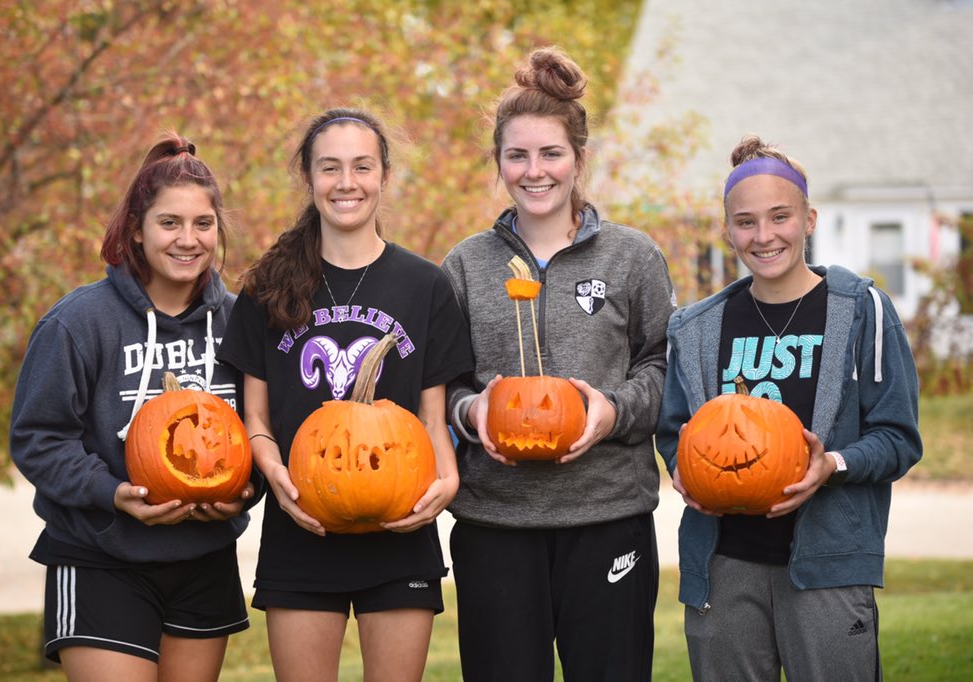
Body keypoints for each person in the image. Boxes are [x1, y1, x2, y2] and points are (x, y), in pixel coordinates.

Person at [442, 46, 676, 681]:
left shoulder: (632, 258)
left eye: (551, 153)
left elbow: (662, 367)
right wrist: (472, 412)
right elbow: (442, 384)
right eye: (517, 155)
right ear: (498, 162)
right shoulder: (465, 265)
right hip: (495, 519)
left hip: (607, 515)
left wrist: (613, 411)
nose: (534, 171)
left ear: (578, 157)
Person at [216, 108, 472, 682]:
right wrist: (275, 474)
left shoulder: (425, 285)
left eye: (362, 166)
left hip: (400, 529)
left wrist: (448, 482)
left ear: (385, 175)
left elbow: (433, 418)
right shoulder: (268, 286)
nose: (346, 182)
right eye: (330, 167)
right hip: (302, 529)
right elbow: (255, 416)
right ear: (308, 177)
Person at [656, 135, 922, 681]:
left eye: (780, 216)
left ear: (808, 219)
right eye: (746, 222)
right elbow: (674, 429)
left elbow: (898, 436)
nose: (764, 235)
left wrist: (833, 465)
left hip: (828, 567)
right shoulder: (698, 328)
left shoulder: (862, 311)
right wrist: (684, 470)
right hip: (723, 566)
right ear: (728, 230)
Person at [10, 133, 260, 681]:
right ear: (137, 230)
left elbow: (263, 429)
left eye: (203, 223)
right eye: (170, 223)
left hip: (204, 559)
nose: (188, 240)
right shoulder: (78, 323)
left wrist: (246, 490)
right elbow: (37, 438)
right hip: (100, 557)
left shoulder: (241, 323)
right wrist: (110, 492)